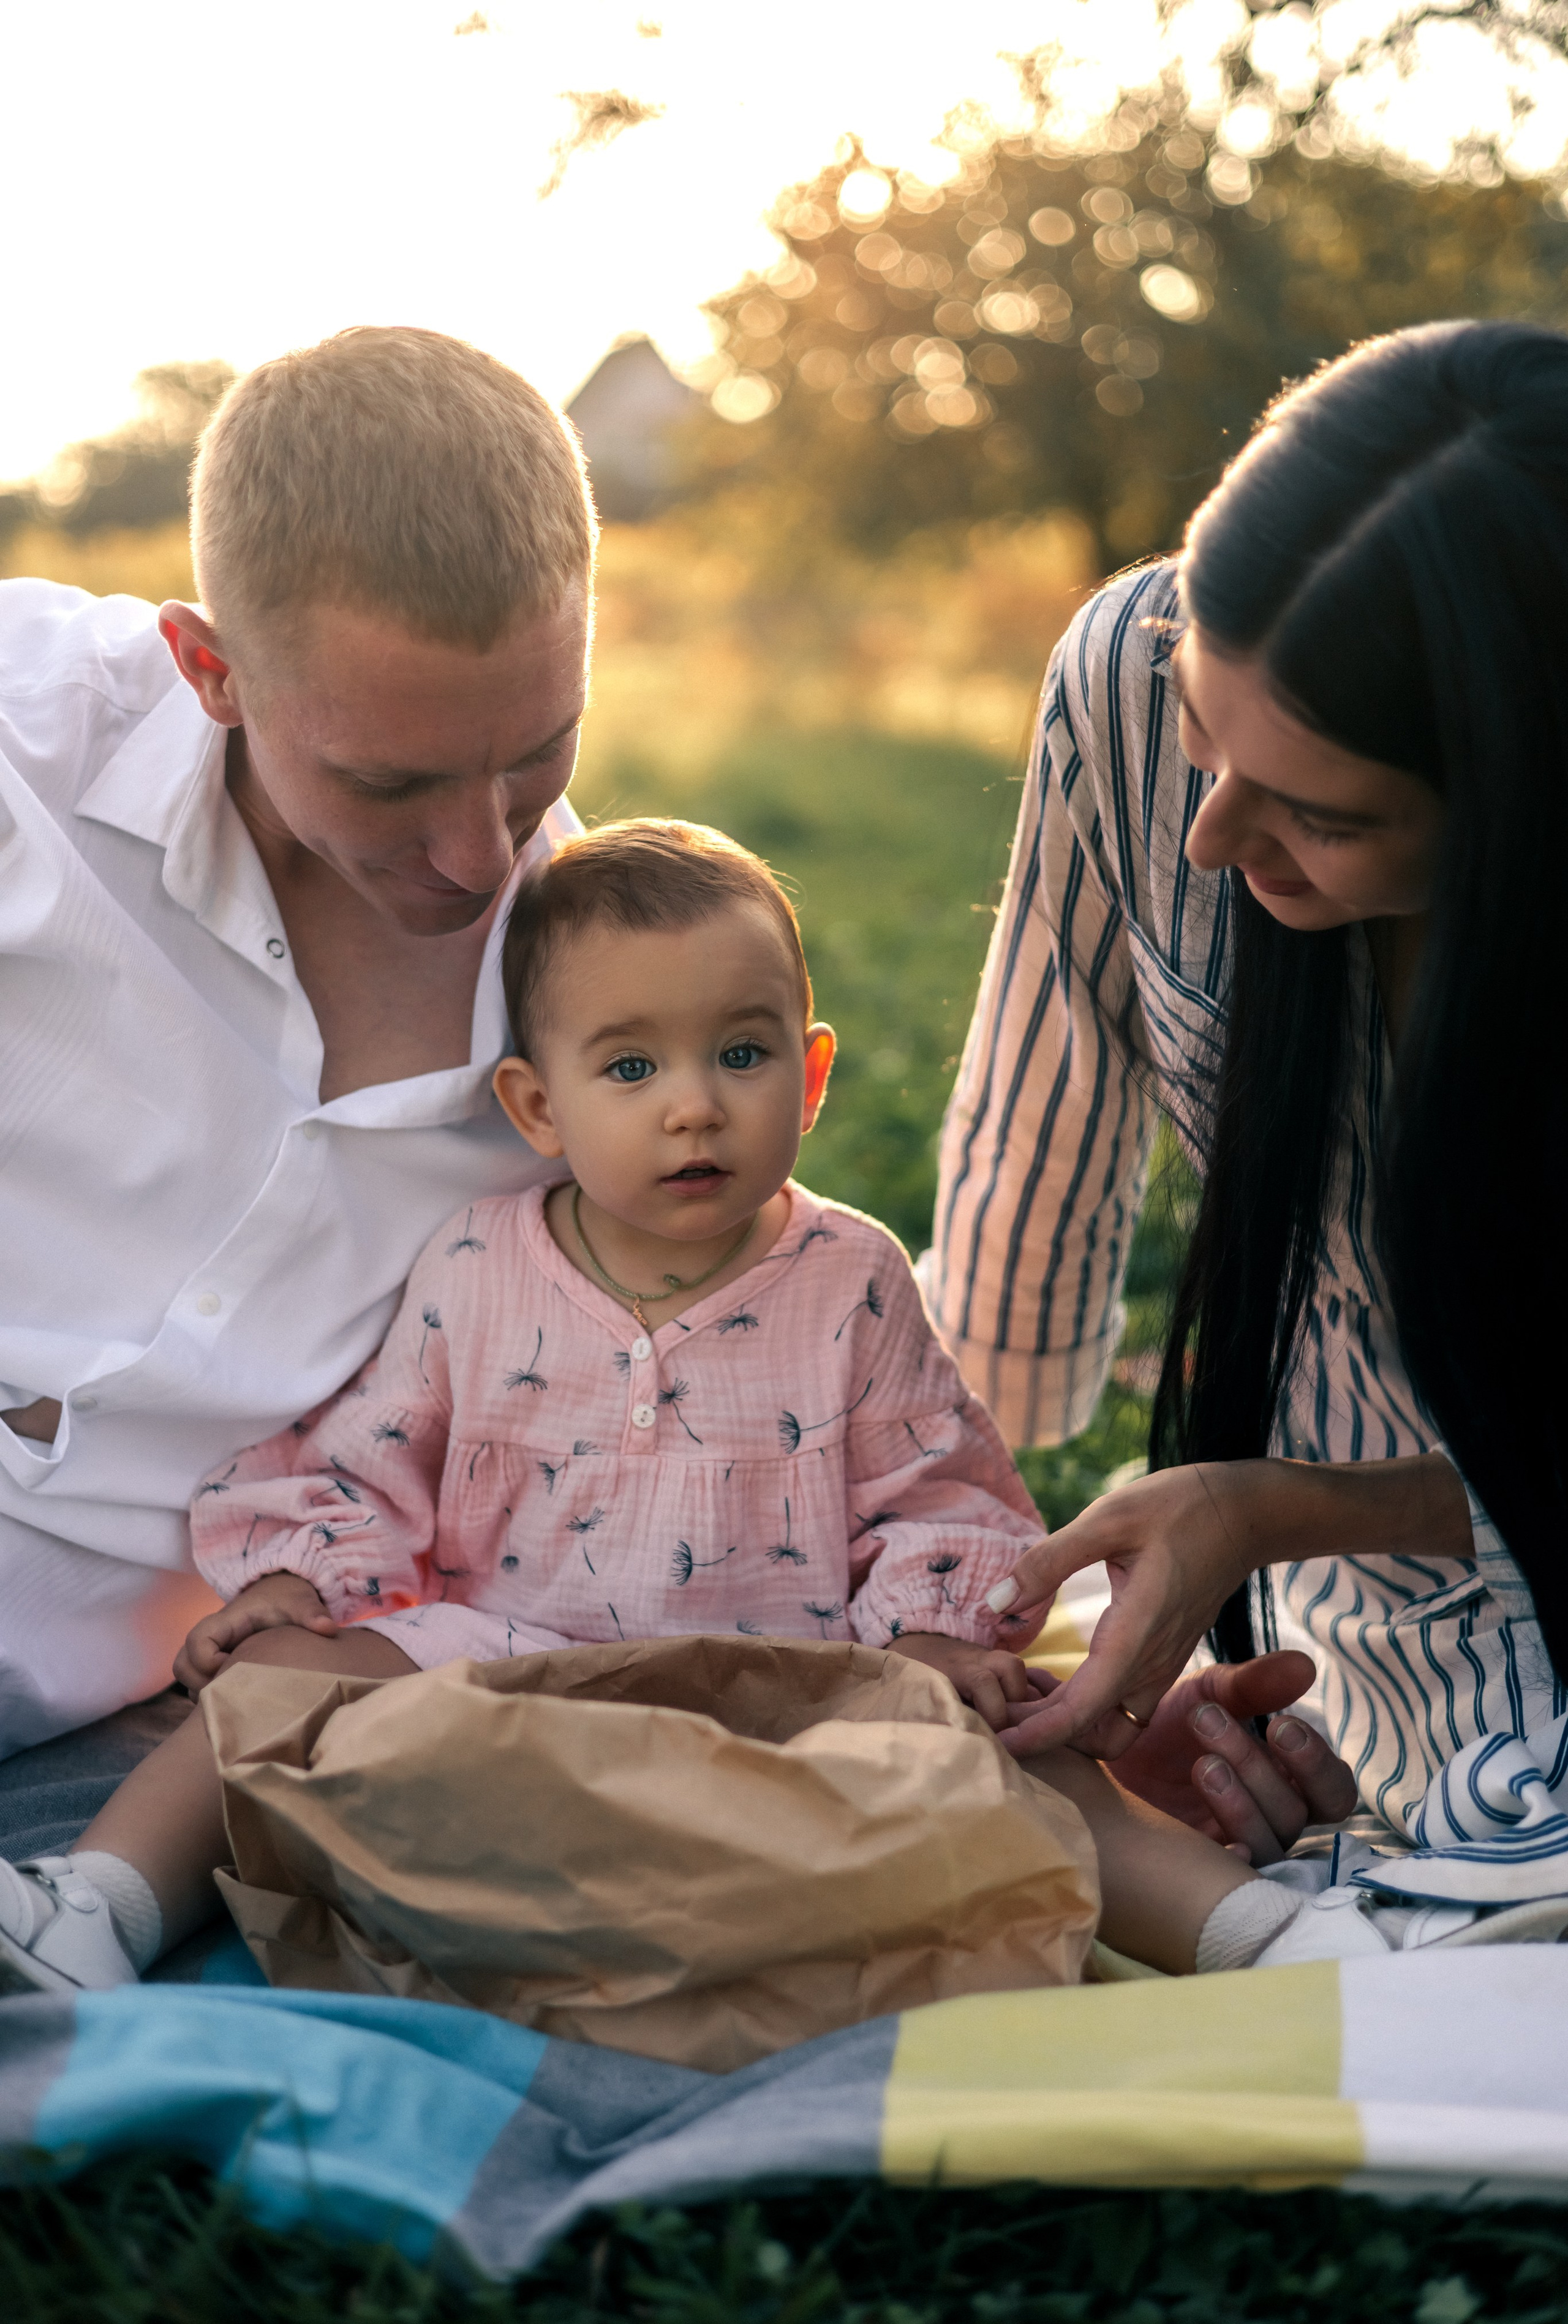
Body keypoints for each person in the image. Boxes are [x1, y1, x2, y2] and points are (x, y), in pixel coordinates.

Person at [1, 818, 1523, 1994]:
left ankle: (1271, 1938)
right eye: (630, 1065)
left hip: (787, 1679)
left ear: (807, 1074)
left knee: (1015, 1759)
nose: (692, 1103)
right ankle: (102, 1907)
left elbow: (936, 1490)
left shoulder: (848, 1276)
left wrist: (935, 1635)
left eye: (739, 1055)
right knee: (261, 1691)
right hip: (506, 1663)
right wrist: (297, 1577)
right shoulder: (476, 1260)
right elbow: (372, 1460)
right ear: (537, 1106)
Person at [929, 319, 1568, 1879]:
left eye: (1324, 816)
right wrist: (950, 1595)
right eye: (1204, 731)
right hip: (1324, 1640)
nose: (1210, 836)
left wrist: (1277, 1505)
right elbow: (1036, 1156)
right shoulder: (1122, 674)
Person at [0, 326, 590, 1756]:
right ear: (211, 669)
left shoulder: (609, 988)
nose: (474, 853)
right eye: (390, 781)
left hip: (166, 1723)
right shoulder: (27, 741)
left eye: (537, 751)